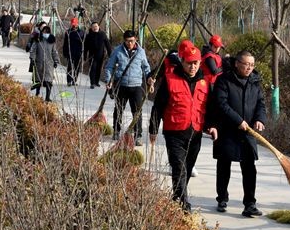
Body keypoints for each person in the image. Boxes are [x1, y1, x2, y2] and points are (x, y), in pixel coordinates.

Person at [149, 43, 217, 212]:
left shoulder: (204, 83)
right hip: (174, 132)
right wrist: (153, 129)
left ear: (200, 63)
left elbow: (209, 108)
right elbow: (158, 106)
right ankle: (183, 206)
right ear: (182, 62)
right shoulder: (170, 80)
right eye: (189, 63)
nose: (192, 67)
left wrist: (211, 126)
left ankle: (177, 196)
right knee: (179, 168)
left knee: (187, 167)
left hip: (195, 133)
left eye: (195, 63)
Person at [211, 50, 267, 217]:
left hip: (247, 132)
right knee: (224, 165)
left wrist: (260, 119)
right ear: (237, 63)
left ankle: (250, 204)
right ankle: (222, 198)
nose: (249, 68)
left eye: (252, 65)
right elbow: (221, 104)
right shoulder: (224, 80)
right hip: (227, 130)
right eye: (246, 64)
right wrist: (238, 121)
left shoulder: (255, 82)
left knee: (249, 168)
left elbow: (260, 103)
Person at [104, 30, 151, 145]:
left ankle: (138, 135)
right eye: (127, 41)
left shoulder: (141, 52)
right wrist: (109, 80)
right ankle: (116, 130)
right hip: (122, 85)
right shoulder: (117, 51)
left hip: (136, 86)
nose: (129, 43)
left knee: (137, 112)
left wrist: (150, 79)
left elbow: (146, 68)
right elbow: (109, 67)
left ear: (136, 39)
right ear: (124, 41)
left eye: (132, 41)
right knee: (119, 109)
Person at [30, 24, 58, 102]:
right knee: (38, 80)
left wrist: (56, 60)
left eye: (47, 32)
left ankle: (47, 97)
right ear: (42, 32)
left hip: (49, 64)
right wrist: (32, 59)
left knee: (49, 81)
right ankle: (37, 93)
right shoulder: (38, 40)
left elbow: (54, 52)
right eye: (44, 31)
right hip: (39, 63)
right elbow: (33, 50)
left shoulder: (52, 41)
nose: (45, 33)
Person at [82, 22, 111, 88]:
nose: (95, 28)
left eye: (96, 26)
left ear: (98, 27)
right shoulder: (89, 36)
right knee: (93, 69)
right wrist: (85, 56)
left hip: (100, 55)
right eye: (93, 27)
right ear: (91, 28)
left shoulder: (102, 34)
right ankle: (92, 83)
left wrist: (110, 54)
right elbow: (85, 47)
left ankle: (96, 82)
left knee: (98, 69)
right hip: (92, 56)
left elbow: (108, 44)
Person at [62, 17, 85, 86]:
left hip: (78, 53)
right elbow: (65, 43)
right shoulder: (68, 32)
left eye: (75, 24)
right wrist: (65, 52)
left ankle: (74, 80)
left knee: (76, 68)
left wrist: (83, 53)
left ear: (77, 24)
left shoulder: (82, 32)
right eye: (73, 24)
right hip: (70, 52)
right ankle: (69, 81)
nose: (74, 26)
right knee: (70, 67)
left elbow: (84, 43)